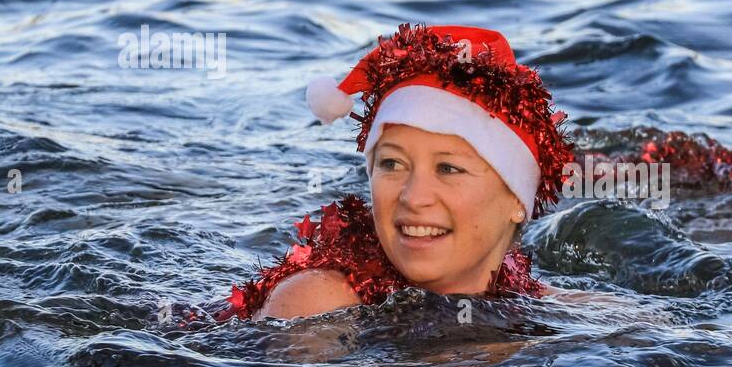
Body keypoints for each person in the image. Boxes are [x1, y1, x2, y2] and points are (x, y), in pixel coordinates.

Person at [221, 24, 575, 321]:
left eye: (448, 168)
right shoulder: (315, 303)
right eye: (392, 164)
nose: (413, 197)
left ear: (517, 199)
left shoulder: (535, 300)